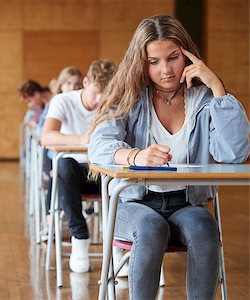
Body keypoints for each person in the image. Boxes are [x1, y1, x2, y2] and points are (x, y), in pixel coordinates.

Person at [88, 15, 249, 299]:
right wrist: (136, 155)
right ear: (142, 62)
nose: (166, 70)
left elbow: (235, 154)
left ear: (187, 55)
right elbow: (99, 147)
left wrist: (217, 88)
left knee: (204, 229)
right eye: (154, 62)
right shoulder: (128, 95)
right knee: (151, 228)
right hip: (133, 203)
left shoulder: (206, 100)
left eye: (173, 58)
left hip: (185, 203)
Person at [41, 60, 116, 273]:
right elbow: (47, 136)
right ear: (85, 82)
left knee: (125, 176)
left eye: (106, 94)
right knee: (64, 164)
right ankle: (79, 238)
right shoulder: (63, 101)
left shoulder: (113, 103)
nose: (100, 100)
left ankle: (118, 244)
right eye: (96, 92)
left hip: (104, 172)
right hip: (76, 174)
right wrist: (82, 139)